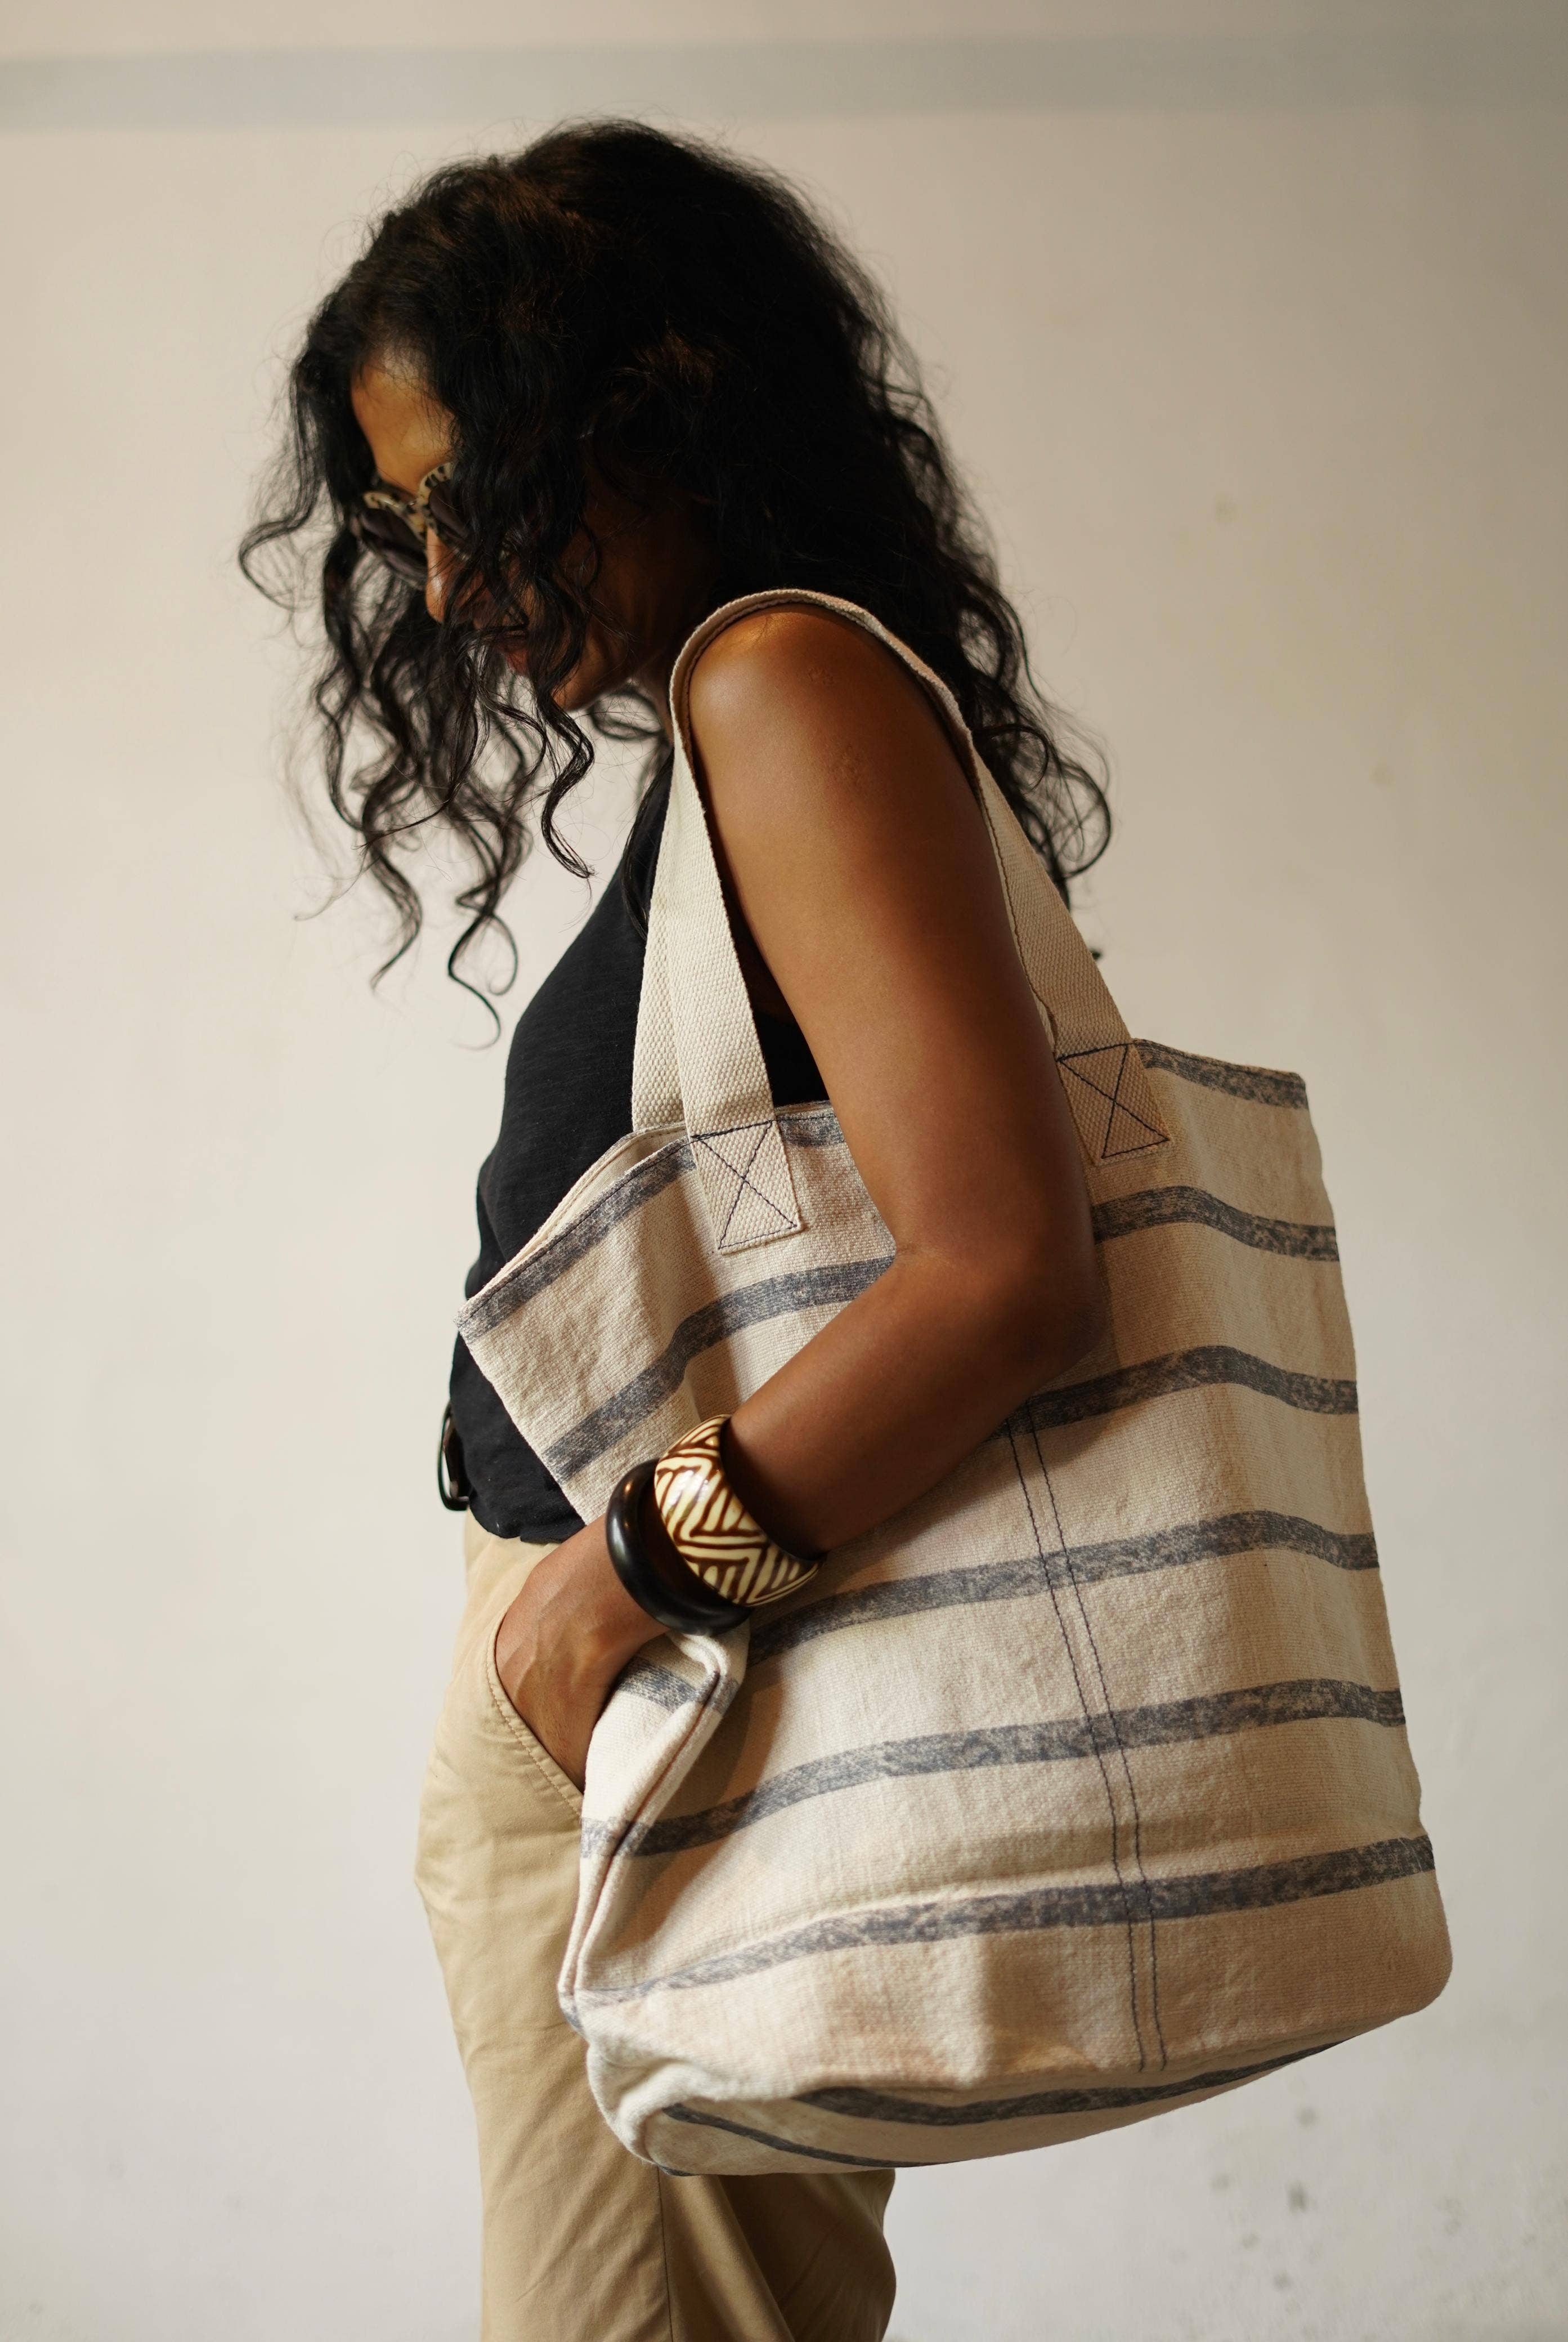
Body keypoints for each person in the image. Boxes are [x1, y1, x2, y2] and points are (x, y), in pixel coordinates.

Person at [244, 118, 1111, 2342]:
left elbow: (1003, 1273)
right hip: (646, 1694)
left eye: (473, 495)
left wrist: (599, 1601)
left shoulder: (781, 683)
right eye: (403, 526)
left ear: (647, 414)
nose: (446, 584)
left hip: (650, 1686)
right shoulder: (789, 691)